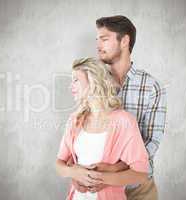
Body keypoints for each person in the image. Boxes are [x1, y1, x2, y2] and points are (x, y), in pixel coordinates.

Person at [72, 15, 167, 200]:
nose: (98, 45)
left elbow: (153, 140)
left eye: (105, 39)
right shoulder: (93, 81)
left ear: (125, 41)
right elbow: (80, 132)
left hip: (138, 188)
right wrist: (77, 172)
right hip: (97, 188)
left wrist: (115, 169)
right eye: (97, 39)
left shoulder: (152, 86)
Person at [56, 58, 149, 200]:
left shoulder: (124, 121)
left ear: (93, 82)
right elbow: (59, 165)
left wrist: (102, 178)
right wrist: (74, 173)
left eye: (76, 80)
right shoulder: (75, 120)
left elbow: (140, 173)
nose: (71, 86)